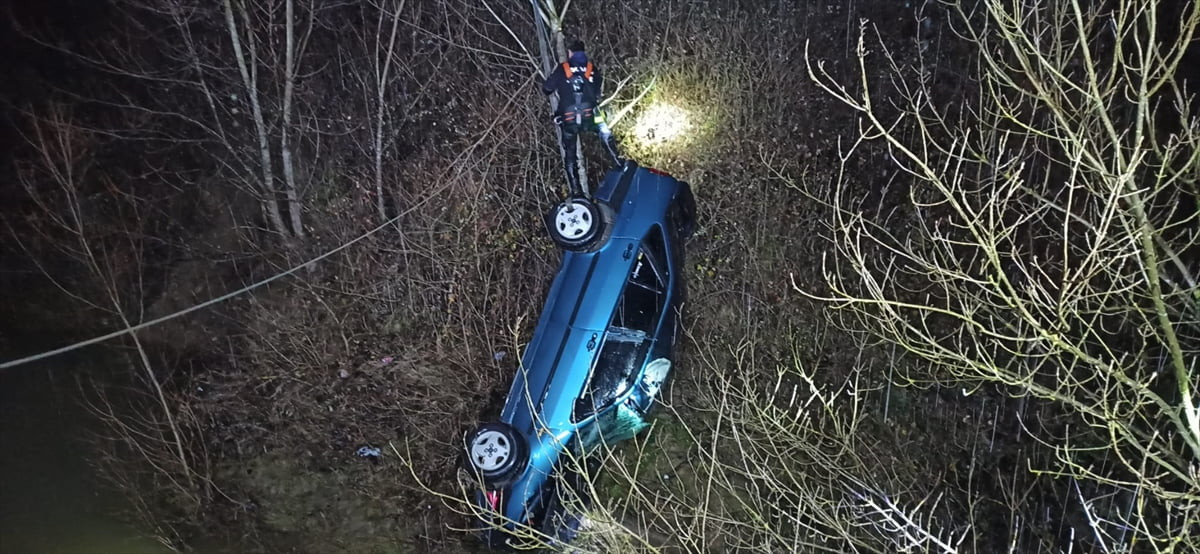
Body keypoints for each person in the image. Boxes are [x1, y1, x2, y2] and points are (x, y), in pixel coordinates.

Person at [542, 39, 622, 195]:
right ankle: (618, 161)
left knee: (570, 154)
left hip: (569, 119)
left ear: (570, 53)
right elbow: (598, 92)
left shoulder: (563, 68)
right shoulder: (592, 69)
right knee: (603, 129)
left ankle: (575, 189)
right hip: (589, 116)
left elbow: (547, 89)